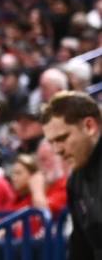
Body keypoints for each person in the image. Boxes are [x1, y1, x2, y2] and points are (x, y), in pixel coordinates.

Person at [40, 91, 102, 259]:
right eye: (52, 142)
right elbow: (81, 246)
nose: (57, 150)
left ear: (90, 126)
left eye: (62, 138)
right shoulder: (75, 181)